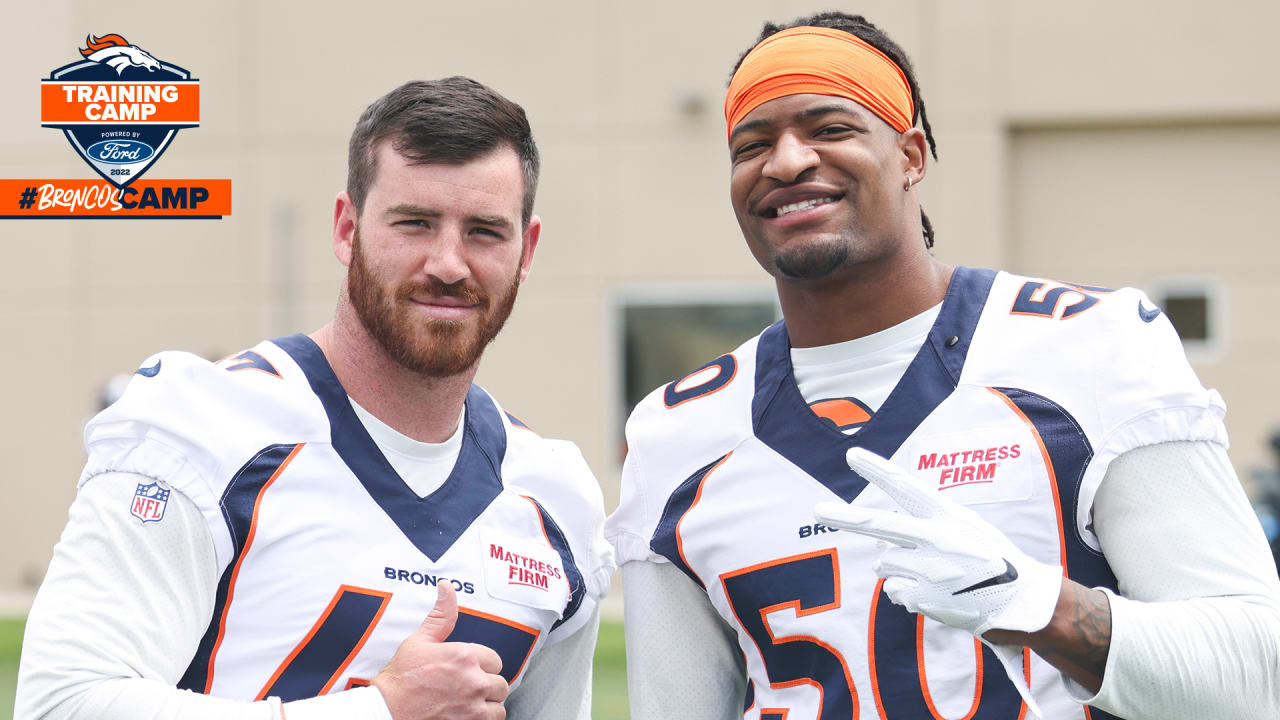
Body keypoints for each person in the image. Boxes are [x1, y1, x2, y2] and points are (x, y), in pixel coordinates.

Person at [606, 11, 1280, 720]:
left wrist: (1039, 606)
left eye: (831, 128)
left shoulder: (1092, 345)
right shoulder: (676, 432)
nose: (786, 160)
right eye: (753, 143)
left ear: (911, 155)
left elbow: (1254, 674)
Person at [17, 77, 614, 720]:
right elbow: (61, 705)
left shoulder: (555, 494)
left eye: (484, 232)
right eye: (414, 223)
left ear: (527, 251)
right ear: (346, 228)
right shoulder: (201, 426)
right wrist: (379, 713)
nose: (448, 263)